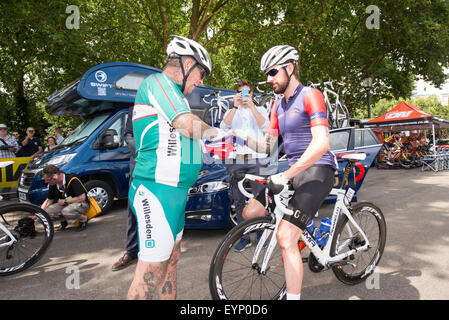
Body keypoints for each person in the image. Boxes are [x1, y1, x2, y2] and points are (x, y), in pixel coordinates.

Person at [235, 45, 337, 300]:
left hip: (318, 169)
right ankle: (307, 229)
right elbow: (268, 146)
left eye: (272, 72)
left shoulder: (311, 95)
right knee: (250, 212)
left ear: (289, 68)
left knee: (285, 236)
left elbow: (321, 143)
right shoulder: (277, 106)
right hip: (292, 172)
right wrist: (238, 138)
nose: (269, 79)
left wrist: (287, 174)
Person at [126, 35, 223, 300]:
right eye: (201, 72)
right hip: (156, 191)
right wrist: (220, 134)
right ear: (187, 63)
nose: (201, 80)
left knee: (171, 260)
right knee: (150, 272)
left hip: (176, 194)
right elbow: (186, 125)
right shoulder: (158, 83)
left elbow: (187, 144)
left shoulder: (175, 95)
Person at [220, 79, 269, 251]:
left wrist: (253, 107)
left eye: (247, 92)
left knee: (260, 198)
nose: (244, 96)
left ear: (252, 94)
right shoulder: (232, 111)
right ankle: (245, 236)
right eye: (241, 93)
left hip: (257, 159)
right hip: (236, 160)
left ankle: (262, 233)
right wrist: (234, 107)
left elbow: (267, 127)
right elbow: (223, 127)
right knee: (238, 200)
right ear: (237, 94)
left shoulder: (261, 109)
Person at [111, 105, 139, 271]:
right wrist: (143, 151)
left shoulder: (164, 105)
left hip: (160, 170)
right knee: (133, 211)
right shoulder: (134, 109)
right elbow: (128, 135)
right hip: (138, 167)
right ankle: (131, 251)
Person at [40, 165, 89, 231]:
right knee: (45, 214)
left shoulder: (72, 179)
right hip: (65, 204)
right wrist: (39, 212)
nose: (46, 182)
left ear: (55, 176)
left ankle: (83, 219)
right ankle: (64, 220)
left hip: (81, 203)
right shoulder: (53, 184)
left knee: (67, 211)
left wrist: (65, 201)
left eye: (47, 180)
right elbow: (49, 200)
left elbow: (82, 198)